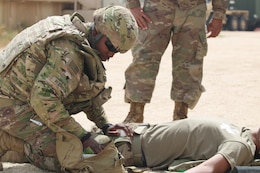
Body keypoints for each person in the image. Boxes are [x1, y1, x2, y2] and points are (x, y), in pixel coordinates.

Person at [0, 5, 138, 172]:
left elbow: (81, 94)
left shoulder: (74, 32)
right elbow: (43, 99)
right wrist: (83, 136)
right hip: (10, 106)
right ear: (97, 31)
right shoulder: (69, 51)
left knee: (68, 140)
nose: (111, 54)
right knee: (67, 155)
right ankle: (6, 140)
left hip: (20, 99)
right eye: (110, 46)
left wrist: (105, 125)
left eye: (117, 51)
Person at [122, 0, 230, 123]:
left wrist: (219, 14)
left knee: (189, 63)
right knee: (144, 59)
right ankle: (135, 115)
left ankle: (180, 116)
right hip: (156, 8)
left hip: (192, 10)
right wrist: (133, 5)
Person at [115, 118, 260, 173]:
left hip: (131, 134)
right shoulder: (241, 146)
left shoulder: (238, 129)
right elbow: (207, 169)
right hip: (122, 152)